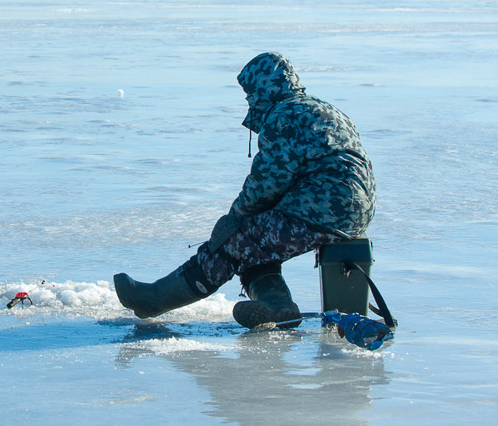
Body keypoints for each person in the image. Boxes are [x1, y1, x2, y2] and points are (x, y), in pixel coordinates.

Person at [114, 52, 376, 328]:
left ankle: (152, 300)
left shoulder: (284, 115)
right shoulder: (323, 109)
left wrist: (234, 218)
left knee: (234, 241)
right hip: (355, 213)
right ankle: (277, 307)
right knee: (253, 243)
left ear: (264, 87)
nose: (250, 100)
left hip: (320, 212)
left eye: (251, 93)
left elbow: (267, 182)